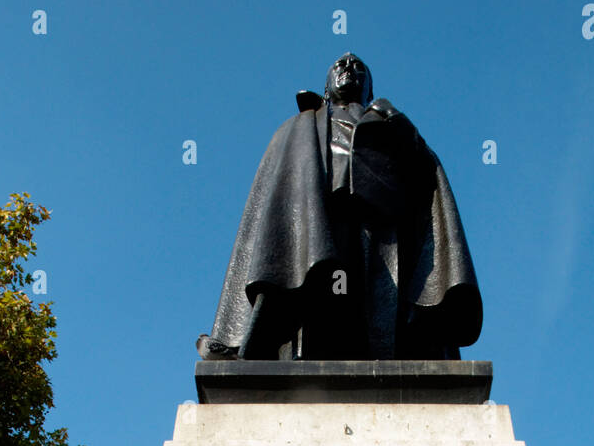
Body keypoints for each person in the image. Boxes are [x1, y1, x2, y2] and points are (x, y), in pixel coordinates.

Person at [199, 54, 482, 362]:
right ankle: (252, 345)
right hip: (320, 216)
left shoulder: (390, 124)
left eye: (359, 67)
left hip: (381, 224)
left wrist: (397, 121)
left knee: (376, 306)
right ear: (325, 88)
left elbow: (424, 173)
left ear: (370, 90)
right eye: (340, 66)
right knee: (317, 286)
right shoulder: (300, 128)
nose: (349, 69)